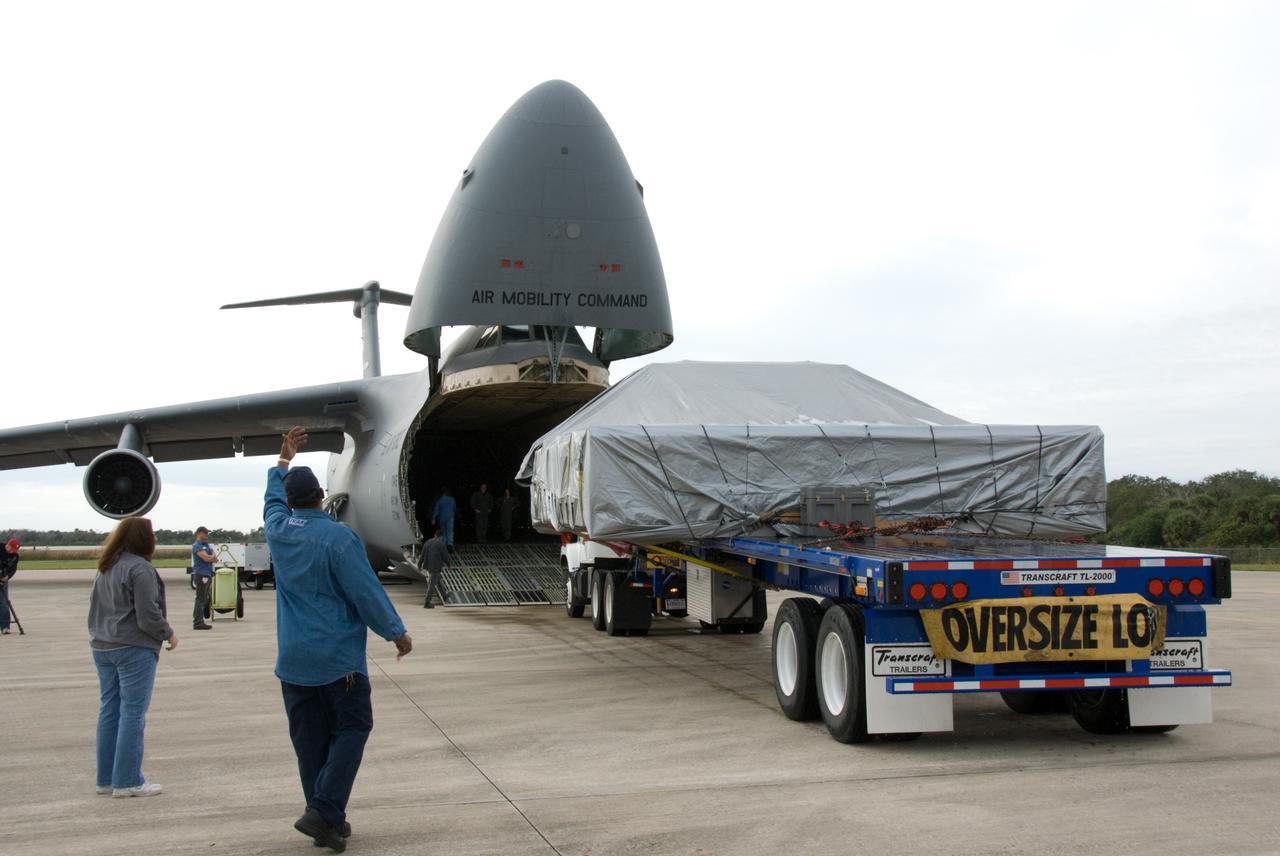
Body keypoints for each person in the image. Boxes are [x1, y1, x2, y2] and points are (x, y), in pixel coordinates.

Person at [268, 426, 412, 853]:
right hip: (337, 662)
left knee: (310, 744)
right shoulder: (338, 538)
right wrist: (396, 632)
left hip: (293, 662)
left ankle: (328, 820)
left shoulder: (277, 531)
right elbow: (365, 592)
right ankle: (324, 810)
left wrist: (281, 461)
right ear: (321, 498)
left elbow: (271, 502)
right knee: (352, 728)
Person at [89, 517, 177, 798]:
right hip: (133, 648)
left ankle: (106, 778)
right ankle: (128, 780)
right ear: (143, 539)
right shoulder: (140, 569)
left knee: (109, 711)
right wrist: (168, 634)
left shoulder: (106, 566)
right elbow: (148, 614)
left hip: (103, 646)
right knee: (133, 713)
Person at [190, 527, 215, 630]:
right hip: (201, 574)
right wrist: (210, 557)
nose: (207, 535)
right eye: (205, 533)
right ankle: (198, 622)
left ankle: (199, 621)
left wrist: (211, 557)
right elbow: (206, 558)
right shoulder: (197, 546)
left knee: (203, 598)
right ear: (199, 533)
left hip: (207, 573)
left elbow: (215, 558)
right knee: (200, 598)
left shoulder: (207, 546)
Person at [422, 529, 449, 608]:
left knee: (438, 581)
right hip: (436, 567)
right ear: (441, 537)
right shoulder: (440, 544)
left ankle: (444, 596)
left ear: (435, 535)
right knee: (432, 584)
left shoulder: (427, 542)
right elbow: (445, 556)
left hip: (429, 566)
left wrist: (419, 564)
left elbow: (422, 554)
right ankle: (427, 602)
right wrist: (449, 565)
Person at [1, 537, 19, 634]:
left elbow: (13, 569)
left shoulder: (15, 556)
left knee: (4, 603)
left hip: (3, 579)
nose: (12, 551)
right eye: (11, 549)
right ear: (7, 545)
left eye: (14, 550)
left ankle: (5, 627)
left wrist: (7, 577)